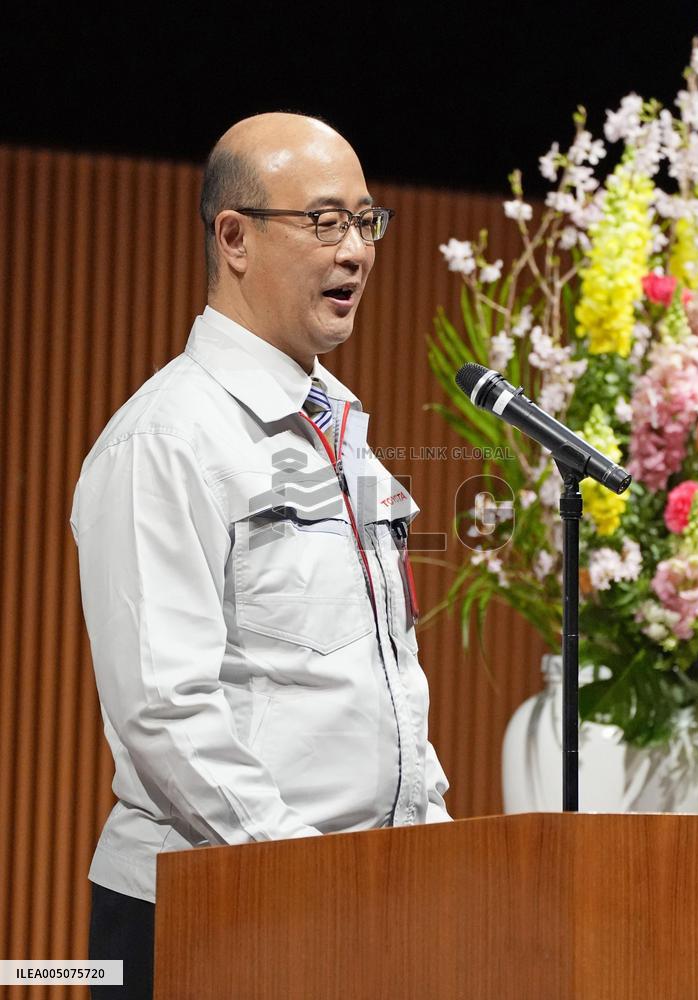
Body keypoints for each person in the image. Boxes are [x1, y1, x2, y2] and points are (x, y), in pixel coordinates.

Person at [70, 112, 451, 998]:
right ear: (233, 237)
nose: (355, 249)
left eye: (366, 220)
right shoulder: (165, 439)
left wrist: (436, 854)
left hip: (359, 909)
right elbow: (166, 711)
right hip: (216, 916)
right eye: (323, 221)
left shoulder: (345, 434)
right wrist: (305, 879)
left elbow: (390, 679)